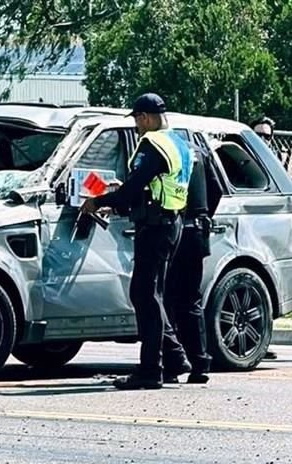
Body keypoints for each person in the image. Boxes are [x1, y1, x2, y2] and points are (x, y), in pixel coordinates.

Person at [80, 92, 192, 389]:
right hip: (172, 222)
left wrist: (98, 200)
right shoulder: (179, 143)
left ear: (144, 117)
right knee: (153, 294)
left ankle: (149, 371)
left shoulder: (152, 144)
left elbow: (132, 192)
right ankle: (175, 358)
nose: (137, 126)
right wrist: (126, 191)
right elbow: (151, 185)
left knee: (143, 295)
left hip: (155, 227)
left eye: (138, 121)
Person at [163, 139, 218, 383]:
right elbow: (215, 188)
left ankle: (173, 365)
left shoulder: (164, 150)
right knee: (191, 300)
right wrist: (203, 213)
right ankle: (200, 363)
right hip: (197, 232)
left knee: (168, 300)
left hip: (175, 230)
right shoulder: (198, 152)